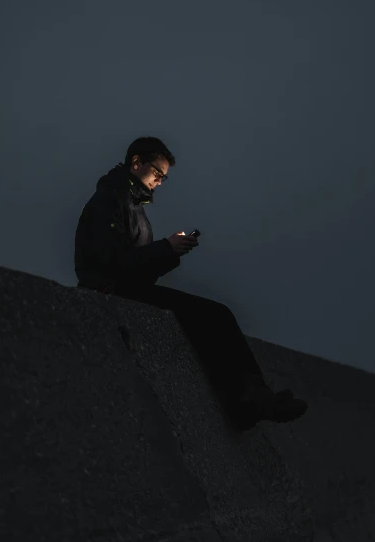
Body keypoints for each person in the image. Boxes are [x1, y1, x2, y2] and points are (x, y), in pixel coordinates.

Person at [74, 136, 307, 431]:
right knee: (213, 316)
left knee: (213, 316)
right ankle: (249, 400)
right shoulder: (108, 200)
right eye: (157, 173)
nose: (159, 181)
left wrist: (171, 253)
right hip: (107, 291)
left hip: (127, 289)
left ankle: (249, 397)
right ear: (136, 163)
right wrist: (165, 249)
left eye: (163, 178)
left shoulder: (135, 210)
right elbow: (111, 261)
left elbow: (140, 273)